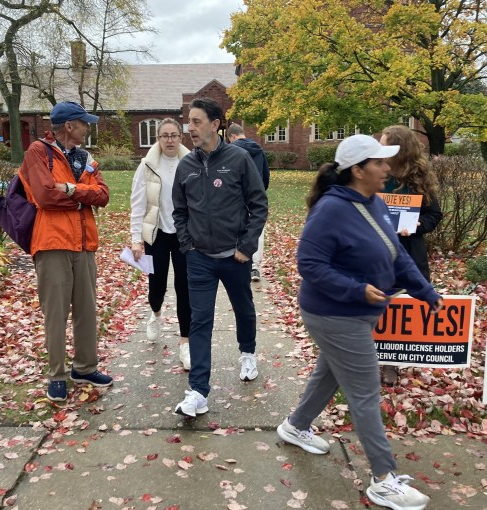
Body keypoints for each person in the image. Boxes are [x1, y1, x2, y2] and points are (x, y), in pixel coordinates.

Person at [276, 134, 442, 510]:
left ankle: (295, 425)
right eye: (380, 163)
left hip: (358, 312)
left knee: (329, 374)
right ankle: (383, 479)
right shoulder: (331, 210)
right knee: (365, 394)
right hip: (334, 314)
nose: (387, 168)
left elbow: (397, 255)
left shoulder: (374, 202)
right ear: (358, 169)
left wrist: (426, 292)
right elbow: (309, 265)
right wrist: (356, 290)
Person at [172, 98, 268, 417]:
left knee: (243, 307)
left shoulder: (239, 160)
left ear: (216, 125)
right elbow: (179, 211)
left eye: (197, 122)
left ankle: (247, 353)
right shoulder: (185, 165)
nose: (190, 128)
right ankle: (198, 391)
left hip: (235, 257)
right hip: (199, 258)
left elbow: (259, 205)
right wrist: (187, 245)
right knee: (200, 320)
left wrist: (247, 246)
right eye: (189, 121)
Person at [18, 101, 111, 402]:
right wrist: (84, 197)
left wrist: (71, 190)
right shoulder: (38, 151)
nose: (88, 127)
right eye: (84, 123)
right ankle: (56, 374)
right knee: (56, 313)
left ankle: (85, 367)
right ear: (69, 126)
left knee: (86, 309)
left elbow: (104, 195)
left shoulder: (86, 157)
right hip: (52, 243)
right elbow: (45, 195)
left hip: (84, 243)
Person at [379, 125, 443, 385]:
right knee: (378, 302)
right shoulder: (376, 172)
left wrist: (417, 225)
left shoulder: (419, 178)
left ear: (399, 148)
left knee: (400, 307)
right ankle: (374, 356)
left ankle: (391, 362)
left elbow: (434, 215)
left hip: (409, 251)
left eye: (384, 144)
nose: (379, 148)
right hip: (378, 251)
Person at [130, 118, 192, 369]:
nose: (169, 140)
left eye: (174, 135)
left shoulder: (191, 163)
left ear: (181, 137)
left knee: (185, 288)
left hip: (183, 236)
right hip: (156, 234)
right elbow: (137, 205)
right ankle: (155, 313)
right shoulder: (147, 165)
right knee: (156, 286)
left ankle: (185, 343)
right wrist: (135, 240)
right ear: (158, 138)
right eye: (164, 135)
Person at [226, 123, 269, 282]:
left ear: (232, 137)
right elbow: (265, 175)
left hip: (237, 196)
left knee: (237, 226)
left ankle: (236, 258)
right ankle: (255, 266)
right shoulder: (258, 149)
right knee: (257, 228)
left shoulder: (231, 150)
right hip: (256, 196)